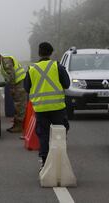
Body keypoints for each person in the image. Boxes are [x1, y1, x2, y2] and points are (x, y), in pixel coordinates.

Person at [23, 42, 70, 170]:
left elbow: (26, 88)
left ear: (39, 53)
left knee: (43, 134)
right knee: (60, 132)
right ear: (51, 52)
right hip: (58, 108)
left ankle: (44, 161)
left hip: (41, 109)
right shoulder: (57, 67)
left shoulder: (32, 69)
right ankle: (60, 160)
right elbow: (67, 84)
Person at [0, 52, 27, 135]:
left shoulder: (6, 61)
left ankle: (19, 126)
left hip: (18, 85)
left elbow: (11, 76)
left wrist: (12, 87)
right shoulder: (3, 63)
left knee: (19, 106)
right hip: (17, 84)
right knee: (17, 106)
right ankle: (16, 125)